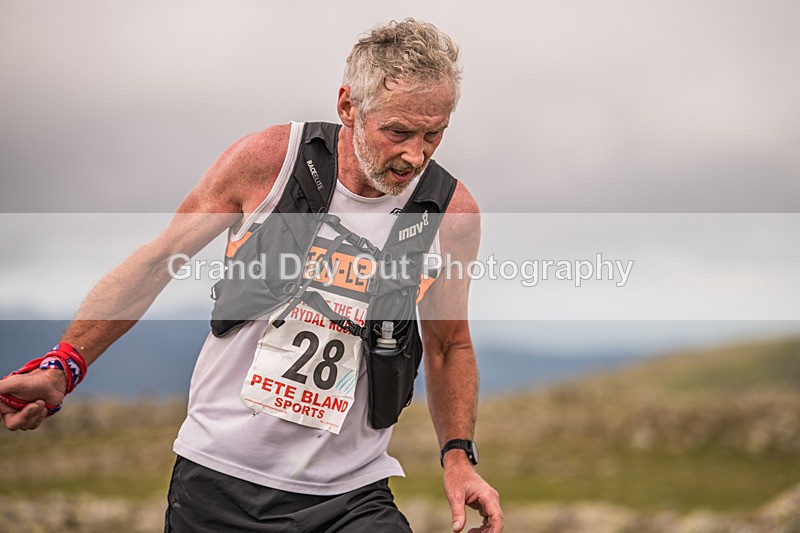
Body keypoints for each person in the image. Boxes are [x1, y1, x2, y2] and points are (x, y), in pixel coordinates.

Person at [0, 18, 503, 533]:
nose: (415, 155)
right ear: (348, 106)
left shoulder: (450, 213)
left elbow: (448, 345)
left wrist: (458, 456)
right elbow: (158, 263)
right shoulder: (270, 162)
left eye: (434, 134)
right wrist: (64, 365)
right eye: (397, 132)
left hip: (351, 495)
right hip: (217, 482)